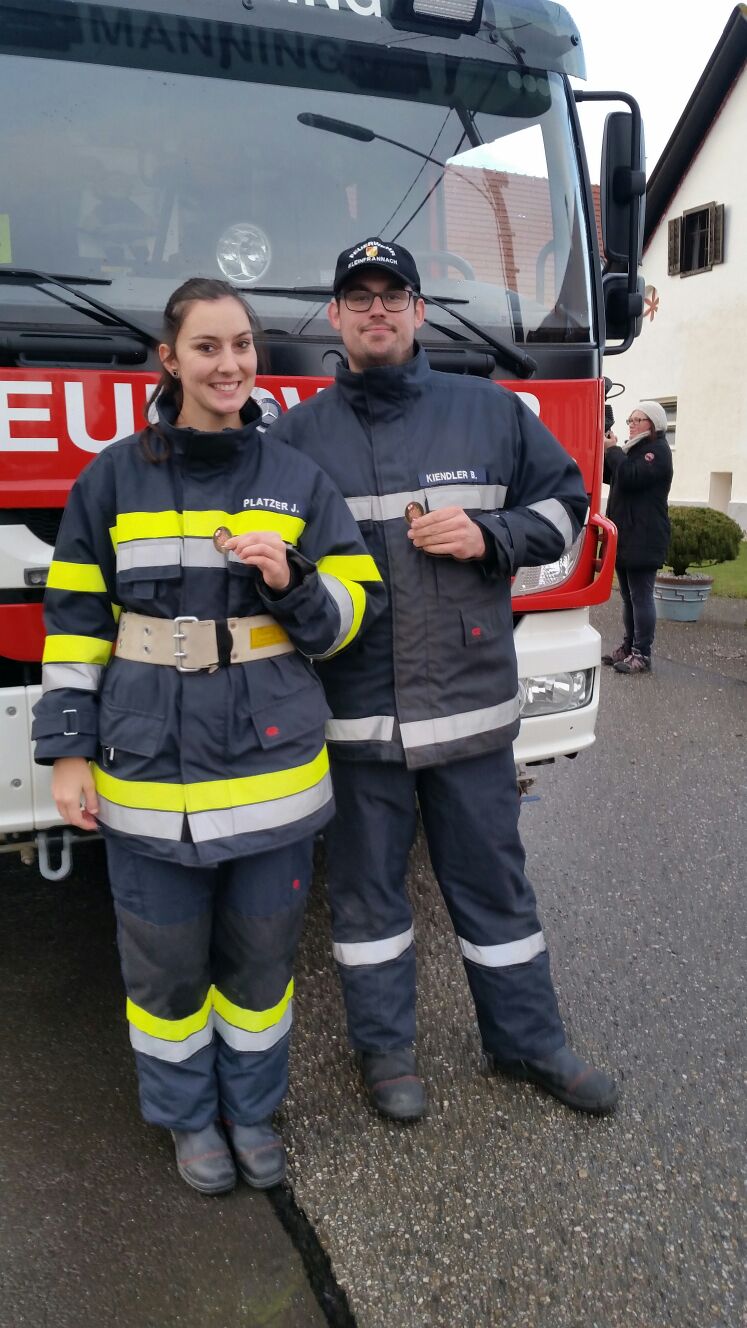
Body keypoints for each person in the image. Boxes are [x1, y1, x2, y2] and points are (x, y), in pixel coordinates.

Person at [32, 277, 385, 1194]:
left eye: (241, 345)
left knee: (261, 965)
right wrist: (68, 752)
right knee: (165, 972)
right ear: (169, 359)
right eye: (206, 346)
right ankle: (188, 1117)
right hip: (148, 772)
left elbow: (354, 613)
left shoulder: (296, 481)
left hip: (271, 775)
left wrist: (293, 582)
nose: (229, 364)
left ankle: (252, 1109)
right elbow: (74, 626)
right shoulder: (111, 478)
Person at [268, 237, 619, 1120]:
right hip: (358, 719)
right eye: (359, 298)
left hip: (467, 712)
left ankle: (527, 1042)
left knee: (494, 887)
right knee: (367, 899)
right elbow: (277, 567)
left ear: (420, 312)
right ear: (336, 317)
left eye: (393, 296)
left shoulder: (490, 411)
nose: (377, 311)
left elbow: (566, 508)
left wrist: (489, 535)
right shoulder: (295, 439)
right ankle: (385, 1055)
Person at [602, 401, 673, 674]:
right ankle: (629, 646)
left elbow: (630, 476)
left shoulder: (657, 451)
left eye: (637, 420)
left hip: (644, 536)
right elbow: (612, 475)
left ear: (653, 424)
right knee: (628, 597)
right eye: (629, 420)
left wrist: (613, 451)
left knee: (641, 596)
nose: (631, 424)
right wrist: (603, 448)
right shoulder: (632, 450)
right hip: (626, 536)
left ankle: (642, 654)